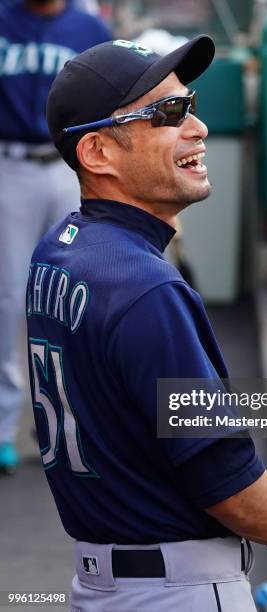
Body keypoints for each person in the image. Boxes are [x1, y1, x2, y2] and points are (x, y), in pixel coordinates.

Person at [26, 37, 267, 612]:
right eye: (168, 114)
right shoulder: (146, 290)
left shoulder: (58, 249)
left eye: (189, 103)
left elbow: (153, 404)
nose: (198, 127)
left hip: (104, 583)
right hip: (177, 590)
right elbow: (231, 487)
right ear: (97, 153)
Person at [0, 0, 111, 473]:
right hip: (9, 164)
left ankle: (71, 426)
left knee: (74, 293)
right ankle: (1, 428)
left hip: (68, 166)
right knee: (6, 297)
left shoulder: (87, 26)